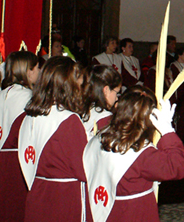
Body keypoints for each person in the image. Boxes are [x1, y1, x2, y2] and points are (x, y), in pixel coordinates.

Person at [83, 87, 184, 222]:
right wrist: (167, 132)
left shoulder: (101, 137)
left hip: (103, 209)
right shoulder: (141, 154)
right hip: (133, 212)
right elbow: (180, 166)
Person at [18, 57, 90, 221]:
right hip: (63, 197)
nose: (80, 85)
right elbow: (83, 169)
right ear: (68, 83)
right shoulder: (68, 120)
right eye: (77, 79)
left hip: (39, 191)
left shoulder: (31, 115)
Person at [0, 51, 40, 221]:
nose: (39, 72)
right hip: (18, 162)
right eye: (37, 68)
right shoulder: (29, 98)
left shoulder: (2, 93)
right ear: (28, 71)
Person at [84, 65, 122, 139]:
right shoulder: (105, 118)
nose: (116, 98)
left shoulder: (85, 109)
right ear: (106, 90)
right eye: (116, 92)